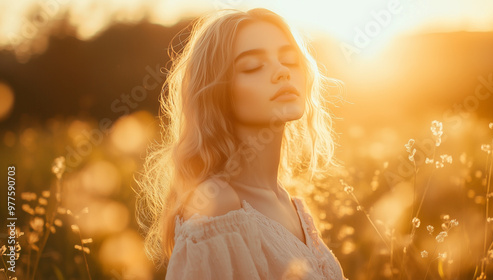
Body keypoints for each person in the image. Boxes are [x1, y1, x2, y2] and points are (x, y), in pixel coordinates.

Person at [136, 7, 345, 280]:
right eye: (252, 66)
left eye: (290, 60)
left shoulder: (292, 205)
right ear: (217, 92)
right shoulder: (218, 206)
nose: (282, 72)